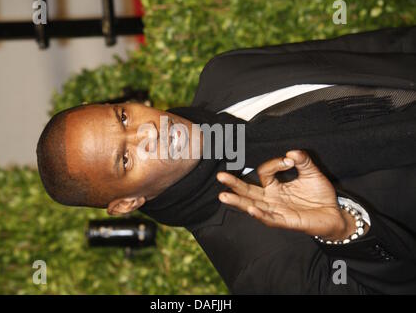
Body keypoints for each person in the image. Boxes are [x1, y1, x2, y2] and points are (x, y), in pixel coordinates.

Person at [36, 26, 416, 294]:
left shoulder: (226, 73)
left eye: (122, 117)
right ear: (127, 203)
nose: (147, 133)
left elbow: (378, 47)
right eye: (125, 158)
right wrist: (345, 228)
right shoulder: (259, 270)